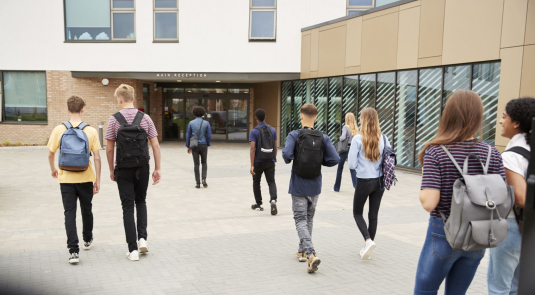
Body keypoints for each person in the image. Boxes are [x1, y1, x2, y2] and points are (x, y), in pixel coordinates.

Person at [414, 90, 505, 294]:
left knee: (424, 291)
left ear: (448, 114)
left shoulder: (436, 151)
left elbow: (429, 202)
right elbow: (503, 198)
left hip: (443, 231)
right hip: (479, 233)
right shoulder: (492, 153)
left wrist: (424, 178)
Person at [105, 84, 161, 261]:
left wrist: (111, 169)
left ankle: (133, 250)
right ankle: (142, 239)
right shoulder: (145, 118)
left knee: (127, 207)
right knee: (141, 201)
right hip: (142, 166)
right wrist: (157, 168)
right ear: (134, 98)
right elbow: (155, 145)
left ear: (120, 99)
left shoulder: (114, 120)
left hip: (123, 168)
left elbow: (109, 148)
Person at [282, 103, 339, 273]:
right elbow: (335, 159)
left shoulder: (294, 134)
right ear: (316, 117)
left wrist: (292, 160)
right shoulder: (324, 137)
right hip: (315, 185)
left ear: (301, 116)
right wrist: (319, 161)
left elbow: (286, 154)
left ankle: (311, 253)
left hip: (298, 185)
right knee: (309, 219)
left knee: (300, 219)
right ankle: (301, 252)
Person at [488, 97, 535, 295]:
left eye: (504, 116)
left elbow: (522, 197)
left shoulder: (511, 156)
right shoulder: (530, 150)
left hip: (513, 226)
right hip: (528, 228)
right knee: (518, 287)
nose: (500, 121)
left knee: (499, 288)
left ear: (516, 123)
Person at [47, 96, 102, 264]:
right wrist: (97, 180)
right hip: (86, 177)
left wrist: (53, 170)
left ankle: (73, 251)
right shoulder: (91, 131)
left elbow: (50, 153)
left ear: (68, 110)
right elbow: (98, 158)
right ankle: (87, 239)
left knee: (69, 213)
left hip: (65, 179)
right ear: (82, 109)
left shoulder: (59, 130)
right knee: (87, 209)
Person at [348, 108, 390, 260]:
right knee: (373, 215)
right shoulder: (384, 138)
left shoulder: (357, 139)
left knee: (357, 213)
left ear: (363, 120)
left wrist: (362, 166)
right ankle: (368, 247)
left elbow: (351, 165)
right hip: (380, 181)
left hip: (364, 180)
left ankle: (367, 240)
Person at [249, 108, 278, 214]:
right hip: (270, 160)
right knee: (271, 181)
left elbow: (253, 148)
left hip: (258, 161)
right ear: (265, 117)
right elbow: (275, 146)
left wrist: (251, 165)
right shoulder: (273, 130)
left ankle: (259, 204)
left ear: (256, 118)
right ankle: (273, 199)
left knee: (256, 182)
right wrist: (274, 160)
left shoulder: (254, 131)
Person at [185, 106, 211, 188]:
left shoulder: (191, 123)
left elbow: (188, 135)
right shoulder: (206, 123)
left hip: (194, 145)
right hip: (203, 145)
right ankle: (204, 179)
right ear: (203, 113)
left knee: (196, 164)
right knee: (204, 162)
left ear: (194, 113)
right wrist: (208, 143)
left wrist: (188, 146)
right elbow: (209, 135)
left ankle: (197, 183)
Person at [333, 112, 358, 192]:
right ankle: (356, 186)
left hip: (344, 149)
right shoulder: (355, 128)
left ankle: (336, 188)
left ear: (347, 119)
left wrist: (340, 137)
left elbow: (343, 138)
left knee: (340, 168)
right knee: (352, 168)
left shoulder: (345, 127)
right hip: (352, 149)